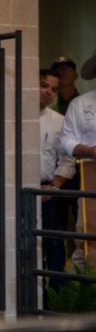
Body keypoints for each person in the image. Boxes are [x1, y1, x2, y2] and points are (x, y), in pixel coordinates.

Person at [38, 68, 76, 299]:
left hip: (50, 191)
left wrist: (54, 185)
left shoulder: (59, 121)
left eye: (53, 89)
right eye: (44, 85)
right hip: (19, 191)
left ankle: (55, 302)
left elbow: (67, 160)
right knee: (26, 246)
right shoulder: (14, 115)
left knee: (54, 247)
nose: (48, 92)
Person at [60, 49, 96, 271]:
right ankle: (80, 296)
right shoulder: (81, 104)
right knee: (87, 237)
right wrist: (90, 151)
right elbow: (65, 141)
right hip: (91, 177)